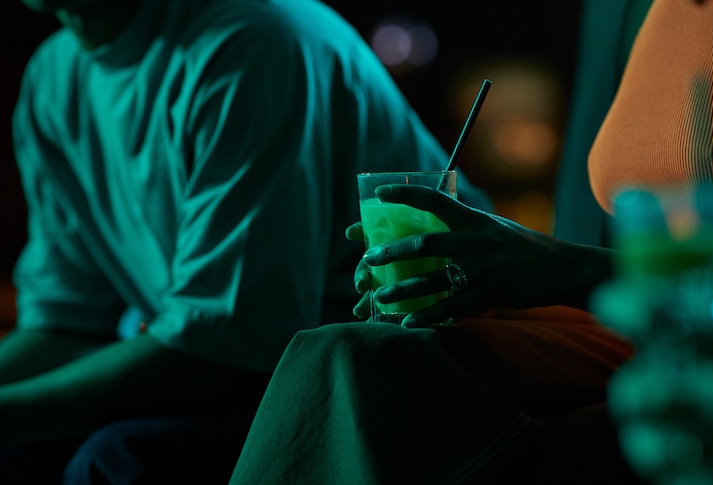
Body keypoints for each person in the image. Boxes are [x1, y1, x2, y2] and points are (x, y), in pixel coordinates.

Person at [228, 0, 713, 483]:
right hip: (632, 340)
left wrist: (559, 269)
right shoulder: (640, 10)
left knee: (361, 370)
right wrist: (488, 279)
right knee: (360, 351)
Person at [3, 0, 491, 482]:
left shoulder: (254, 38)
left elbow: (227, 352)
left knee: (118, 460)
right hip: (252, 368)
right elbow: (68, 324)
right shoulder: (53, 75)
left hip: (399, 369)